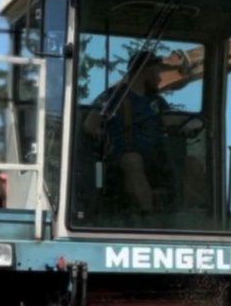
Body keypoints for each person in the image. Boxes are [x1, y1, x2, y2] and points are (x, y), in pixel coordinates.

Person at [83, 51, 199, 214]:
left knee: (193, 163)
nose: (160, 78)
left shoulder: (157, 101)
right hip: (121, 158)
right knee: (133, 160)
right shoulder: (113, 97)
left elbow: (170, 120)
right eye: (157, 72)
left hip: (157, 158)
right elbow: (90, 125)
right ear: (144, 71)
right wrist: (102, 137)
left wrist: (187, 125)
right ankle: (148, 218)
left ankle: (186, 217)